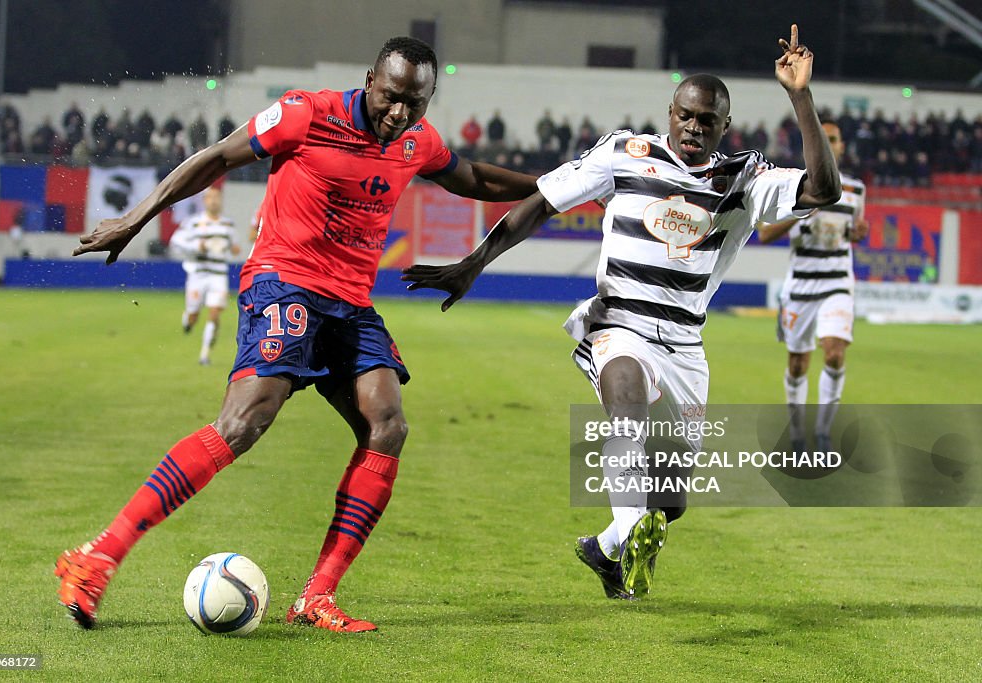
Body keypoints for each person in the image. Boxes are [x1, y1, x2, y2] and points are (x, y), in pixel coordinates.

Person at [57, 36, 538, 633]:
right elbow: (214, 158)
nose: (399, 114)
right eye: (391, 98)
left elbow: (474, 181)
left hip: (350, 304)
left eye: (415, 103)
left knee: (387, 425)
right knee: (244, 422)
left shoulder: (419, 141)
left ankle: (316, 597)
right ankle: (97, 555)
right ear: (369, 80)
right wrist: (137, 216)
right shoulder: (305, 114)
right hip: (284, 283)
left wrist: (563, 182)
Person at [402, 25, 840, 600]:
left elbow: (823, 191)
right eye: (685, 115)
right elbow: (540, 205)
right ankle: (630, 530)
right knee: (625, 389)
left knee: (671, 499)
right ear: (671, 112)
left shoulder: (744, 180)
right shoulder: (623, 154)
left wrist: (799, 96)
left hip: (685, 346)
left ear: (724, 128)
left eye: (707, 121)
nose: (693, 127)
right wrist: (474, 263)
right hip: (618, 325)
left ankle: (607, 546)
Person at [758, 119, 869, 453]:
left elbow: (852, 233)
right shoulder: (791, 185)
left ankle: (822, 432)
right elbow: (764, 233)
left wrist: (858, 235)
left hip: (837, 282)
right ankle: (796, 434)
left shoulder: (856, 190)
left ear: (841, 146)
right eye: (822, 139)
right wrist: (807, 205)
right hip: (801, 286)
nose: (829, 144)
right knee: (797, 363)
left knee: (834, 351)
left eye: (833, 139)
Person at [169, 186, 241, 365]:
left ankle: (204, 354)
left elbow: (235, 246)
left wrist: (234, 249)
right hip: (198, 274)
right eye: (210, 198)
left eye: (217, 197)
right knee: (194, 314)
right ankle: (188, 319)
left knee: (215, 313)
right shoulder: (193, 222)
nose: (214, 201)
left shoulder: (228, 224)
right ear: (204, 201)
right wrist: (196, 248)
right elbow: (175, 242)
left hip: (218, 275)